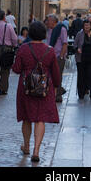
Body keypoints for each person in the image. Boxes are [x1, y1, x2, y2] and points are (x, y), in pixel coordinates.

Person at [12, 20, 60, 163]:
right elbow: (56, 72)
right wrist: (56, 86)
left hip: (26, 88)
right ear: (44, 34)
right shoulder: (50, 50)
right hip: (44, 88)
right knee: (40, 119)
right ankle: (36, 150)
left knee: (27, 117)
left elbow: (16, 69)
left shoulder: (24, 49)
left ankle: (26, 146)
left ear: (31, 34)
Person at [73, 20, 91, 100]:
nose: (87, 27)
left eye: (88, 25)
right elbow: (75, 44)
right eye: (85, 25)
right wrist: (77, 49)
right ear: (83, 26)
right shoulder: (79, 34)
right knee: (82, 77)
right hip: (81, 59)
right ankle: (81, 93)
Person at [46, 14, 68, 103]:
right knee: (50, 76)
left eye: (49, 20)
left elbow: (65, 43)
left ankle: (58, 96)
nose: (47, 22)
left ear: (54, 21)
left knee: (57, 76)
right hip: (50, 56)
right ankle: (54, 93)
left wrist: (61, 56)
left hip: (58, 56)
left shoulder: (61, 29)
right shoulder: (49, 30)